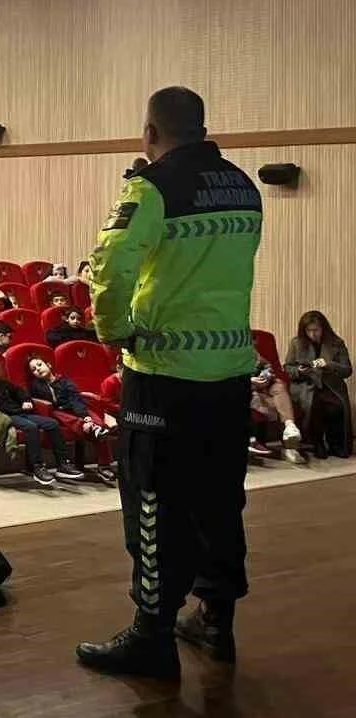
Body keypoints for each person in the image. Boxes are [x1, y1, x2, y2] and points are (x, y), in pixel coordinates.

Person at [77, 87, 262, 680]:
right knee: (219, 498)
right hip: (230, 373)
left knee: (154, 502)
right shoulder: (244, 185)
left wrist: (115, 330)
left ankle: (152, 636)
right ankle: (215, 620)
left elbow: (109, 264)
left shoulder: (150, 188)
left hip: (164, 376)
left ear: (150, 132)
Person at [0, 353, 82, 485]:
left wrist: (25, 400)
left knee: (52, 424)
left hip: (20, 412)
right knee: (31, 427)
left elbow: (19, 391)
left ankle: (63, 463)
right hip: (4, 416)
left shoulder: (2, 383)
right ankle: (37, 467)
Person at [25, 352, 118, 485]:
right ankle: (90, 428)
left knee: (98, 426)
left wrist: (86, 417)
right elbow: (46, 403)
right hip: (58, 412)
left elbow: (75, 399)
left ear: (49, 365)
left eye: (39, 365)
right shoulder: (36, 385)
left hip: (74, 409)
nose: (38, 369)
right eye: (33, 369)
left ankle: (104, 465)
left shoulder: (64, 381)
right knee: (60, 414)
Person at [284, 310, 351, 459]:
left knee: (335, 407)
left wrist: (329, 364)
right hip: (305, 386)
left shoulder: (336, 343)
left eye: (316, 330)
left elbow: (347, 370)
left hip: (330, 387)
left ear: (323, 328)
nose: (313, 334)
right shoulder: (296, 343)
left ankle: (336, 444)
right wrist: (300, 371)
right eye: (309, 330)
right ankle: (317, 443)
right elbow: (288, 368)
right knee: (314, 403)